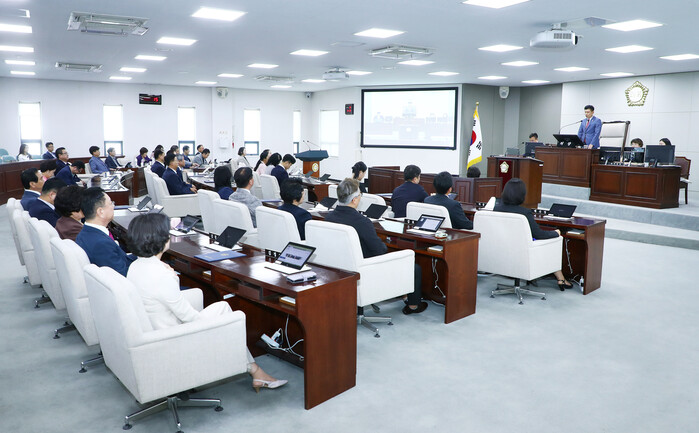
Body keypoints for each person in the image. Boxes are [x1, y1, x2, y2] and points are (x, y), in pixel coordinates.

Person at [125, 213, 287, 391]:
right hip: (173, 337)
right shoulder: (162, 275)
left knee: (223, 307)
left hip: (156, 330)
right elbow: (190, 318)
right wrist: (173, 278)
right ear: (162, 239)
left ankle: (254, 370)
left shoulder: (136, 266)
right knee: (232, 317)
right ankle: (254, 370)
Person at [325, 178, 427, 315]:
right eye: (360, 195)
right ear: (354, 200)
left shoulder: (329, 217)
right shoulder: (362, 222)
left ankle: (403, 294)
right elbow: (380, 251)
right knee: (414, 267)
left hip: (340, 269)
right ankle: (413, 305)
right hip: (365, 269)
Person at [494, 178, 573, 290]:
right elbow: (539, 235)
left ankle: (561, 278)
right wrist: (556, 232)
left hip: (504, 250)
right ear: (522, 195)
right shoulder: (524, 212)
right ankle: (561, 279)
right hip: (523, 251)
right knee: (551, 243)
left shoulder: (496, 209)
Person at [75, 187, 135, 276]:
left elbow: (122, 259)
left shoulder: (85, 233)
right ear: (101, 211)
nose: (113, 206)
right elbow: (122, 275)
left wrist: (144, 255)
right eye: (111, 203)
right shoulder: (101, 244)